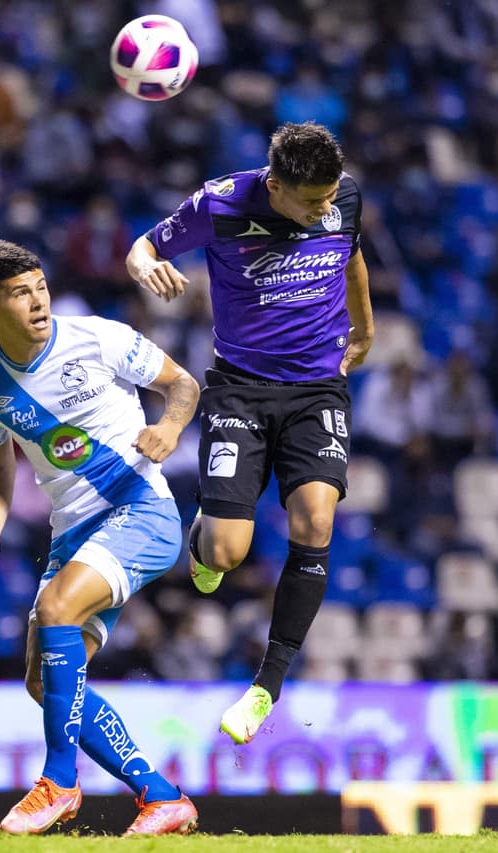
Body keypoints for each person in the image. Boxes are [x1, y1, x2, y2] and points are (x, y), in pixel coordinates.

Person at [126, 121, 374, 743]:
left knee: (316, 520)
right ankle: (202, 543)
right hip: (241, 388)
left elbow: (352, 257)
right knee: (225, 553)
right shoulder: (220, 204)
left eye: (330, 197)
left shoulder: (343, 196)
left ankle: (267, 686)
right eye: (311, 201)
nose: (324, 209)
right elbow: (143, 247)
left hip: (317, 389)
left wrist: (365, 329)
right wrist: (148, 267)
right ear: (276, 186)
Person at [0, 240, 200, 836]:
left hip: (141, 510)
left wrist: (169, 428)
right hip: (73, 530)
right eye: (21, 294)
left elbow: (184, 384)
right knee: (44, 682)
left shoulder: (97, 337)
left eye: (40, 287)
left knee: (55, 609)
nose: (38, 301)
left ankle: (59, 783)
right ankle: (162, 797)